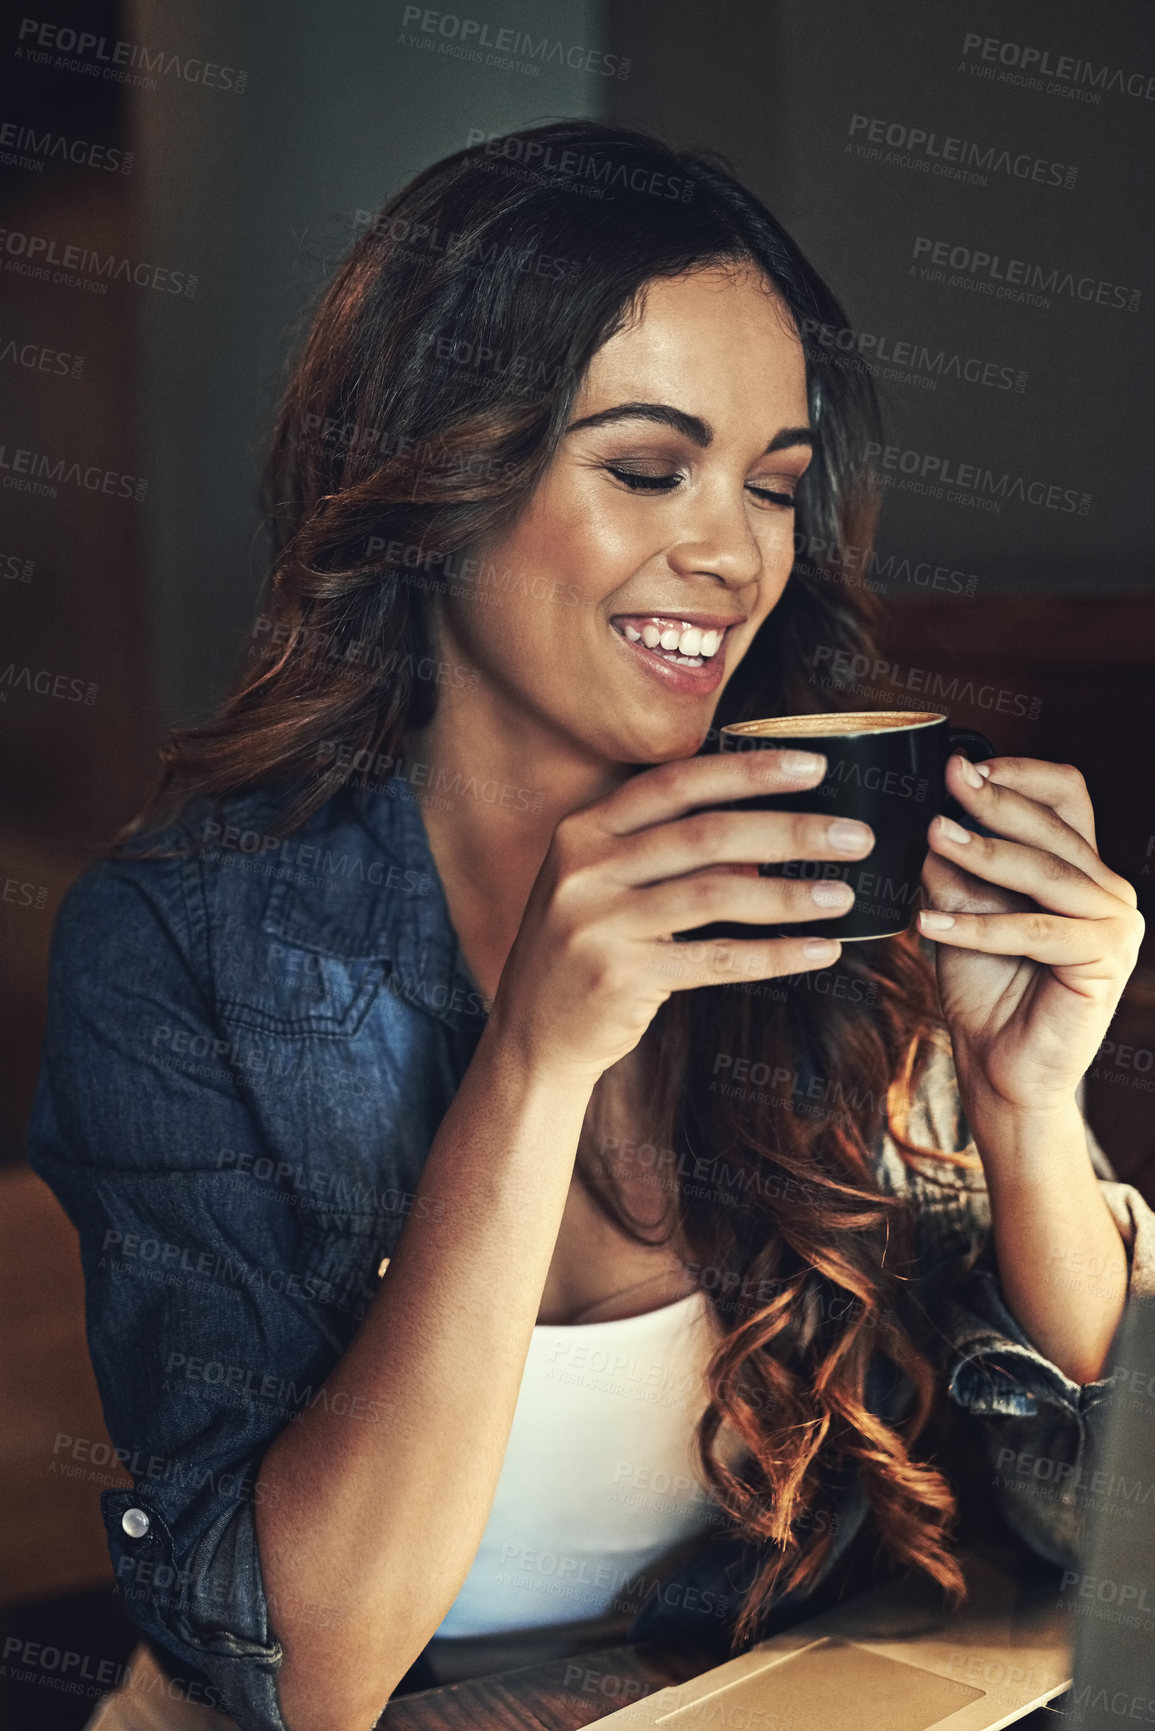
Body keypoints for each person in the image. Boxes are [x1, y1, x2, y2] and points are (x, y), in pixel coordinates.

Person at [28, 122, 1151, 1731]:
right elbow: (313, 1672)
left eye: (774, 485)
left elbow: (1110, 1553)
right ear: (435, 480)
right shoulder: (181, 952)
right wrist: (534, 1061)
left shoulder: (839, 894)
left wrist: (1032, 1112)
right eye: (645, 468)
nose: (734, 550)